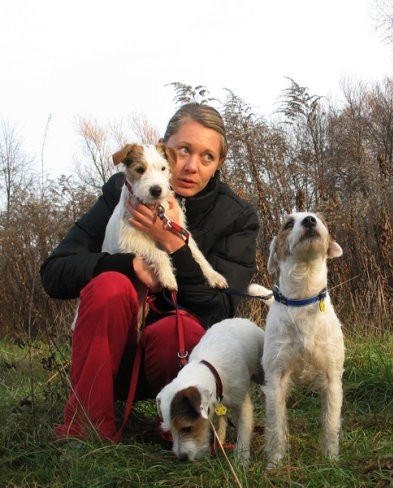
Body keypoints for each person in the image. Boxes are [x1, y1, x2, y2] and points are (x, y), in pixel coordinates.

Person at [40, 103, 260, 442]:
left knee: (182, 328)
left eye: (206, 157)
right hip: (114, 351)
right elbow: (54, 273)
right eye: (183, 150)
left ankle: (182, 426)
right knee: (109, 286)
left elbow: (219, 310)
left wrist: (174, 246)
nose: (189, 166)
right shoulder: (121, 191)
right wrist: (123, 265)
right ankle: (86, 425)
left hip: (178, 354)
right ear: (164, 149)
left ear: (218, 165)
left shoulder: (236, 216)